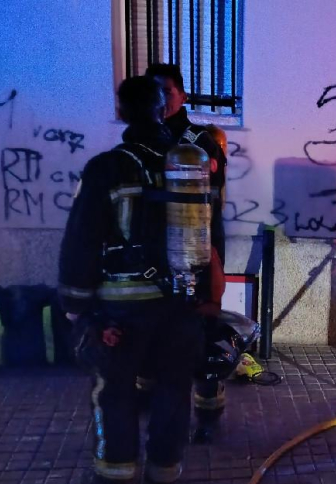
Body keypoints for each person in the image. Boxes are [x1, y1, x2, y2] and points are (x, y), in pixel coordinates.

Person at [59, 75, 205, 483]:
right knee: (174, 393)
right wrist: (205, 300)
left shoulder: (106, 168)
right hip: (179, 306)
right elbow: (209, 238)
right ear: (163, 110)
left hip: (120, 314)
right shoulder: (187, 166)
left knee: (115, 396)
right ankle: (164, 472)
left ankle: (116, 473)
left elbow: (81, 240)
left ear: (120, 111)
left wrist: (76, 307)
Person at [144, 63, 229, 444]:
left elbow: (216, 175)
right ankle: (147, 397)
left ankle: (208, 412)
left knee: (200, 329)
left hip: (198, 250)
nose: (162, 100)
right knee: (151, 325)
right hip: (154, 251)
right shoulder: (143, 138)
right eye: (154, 92)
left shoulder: (200, 140)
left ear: (183, 95)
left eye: (168, 92)